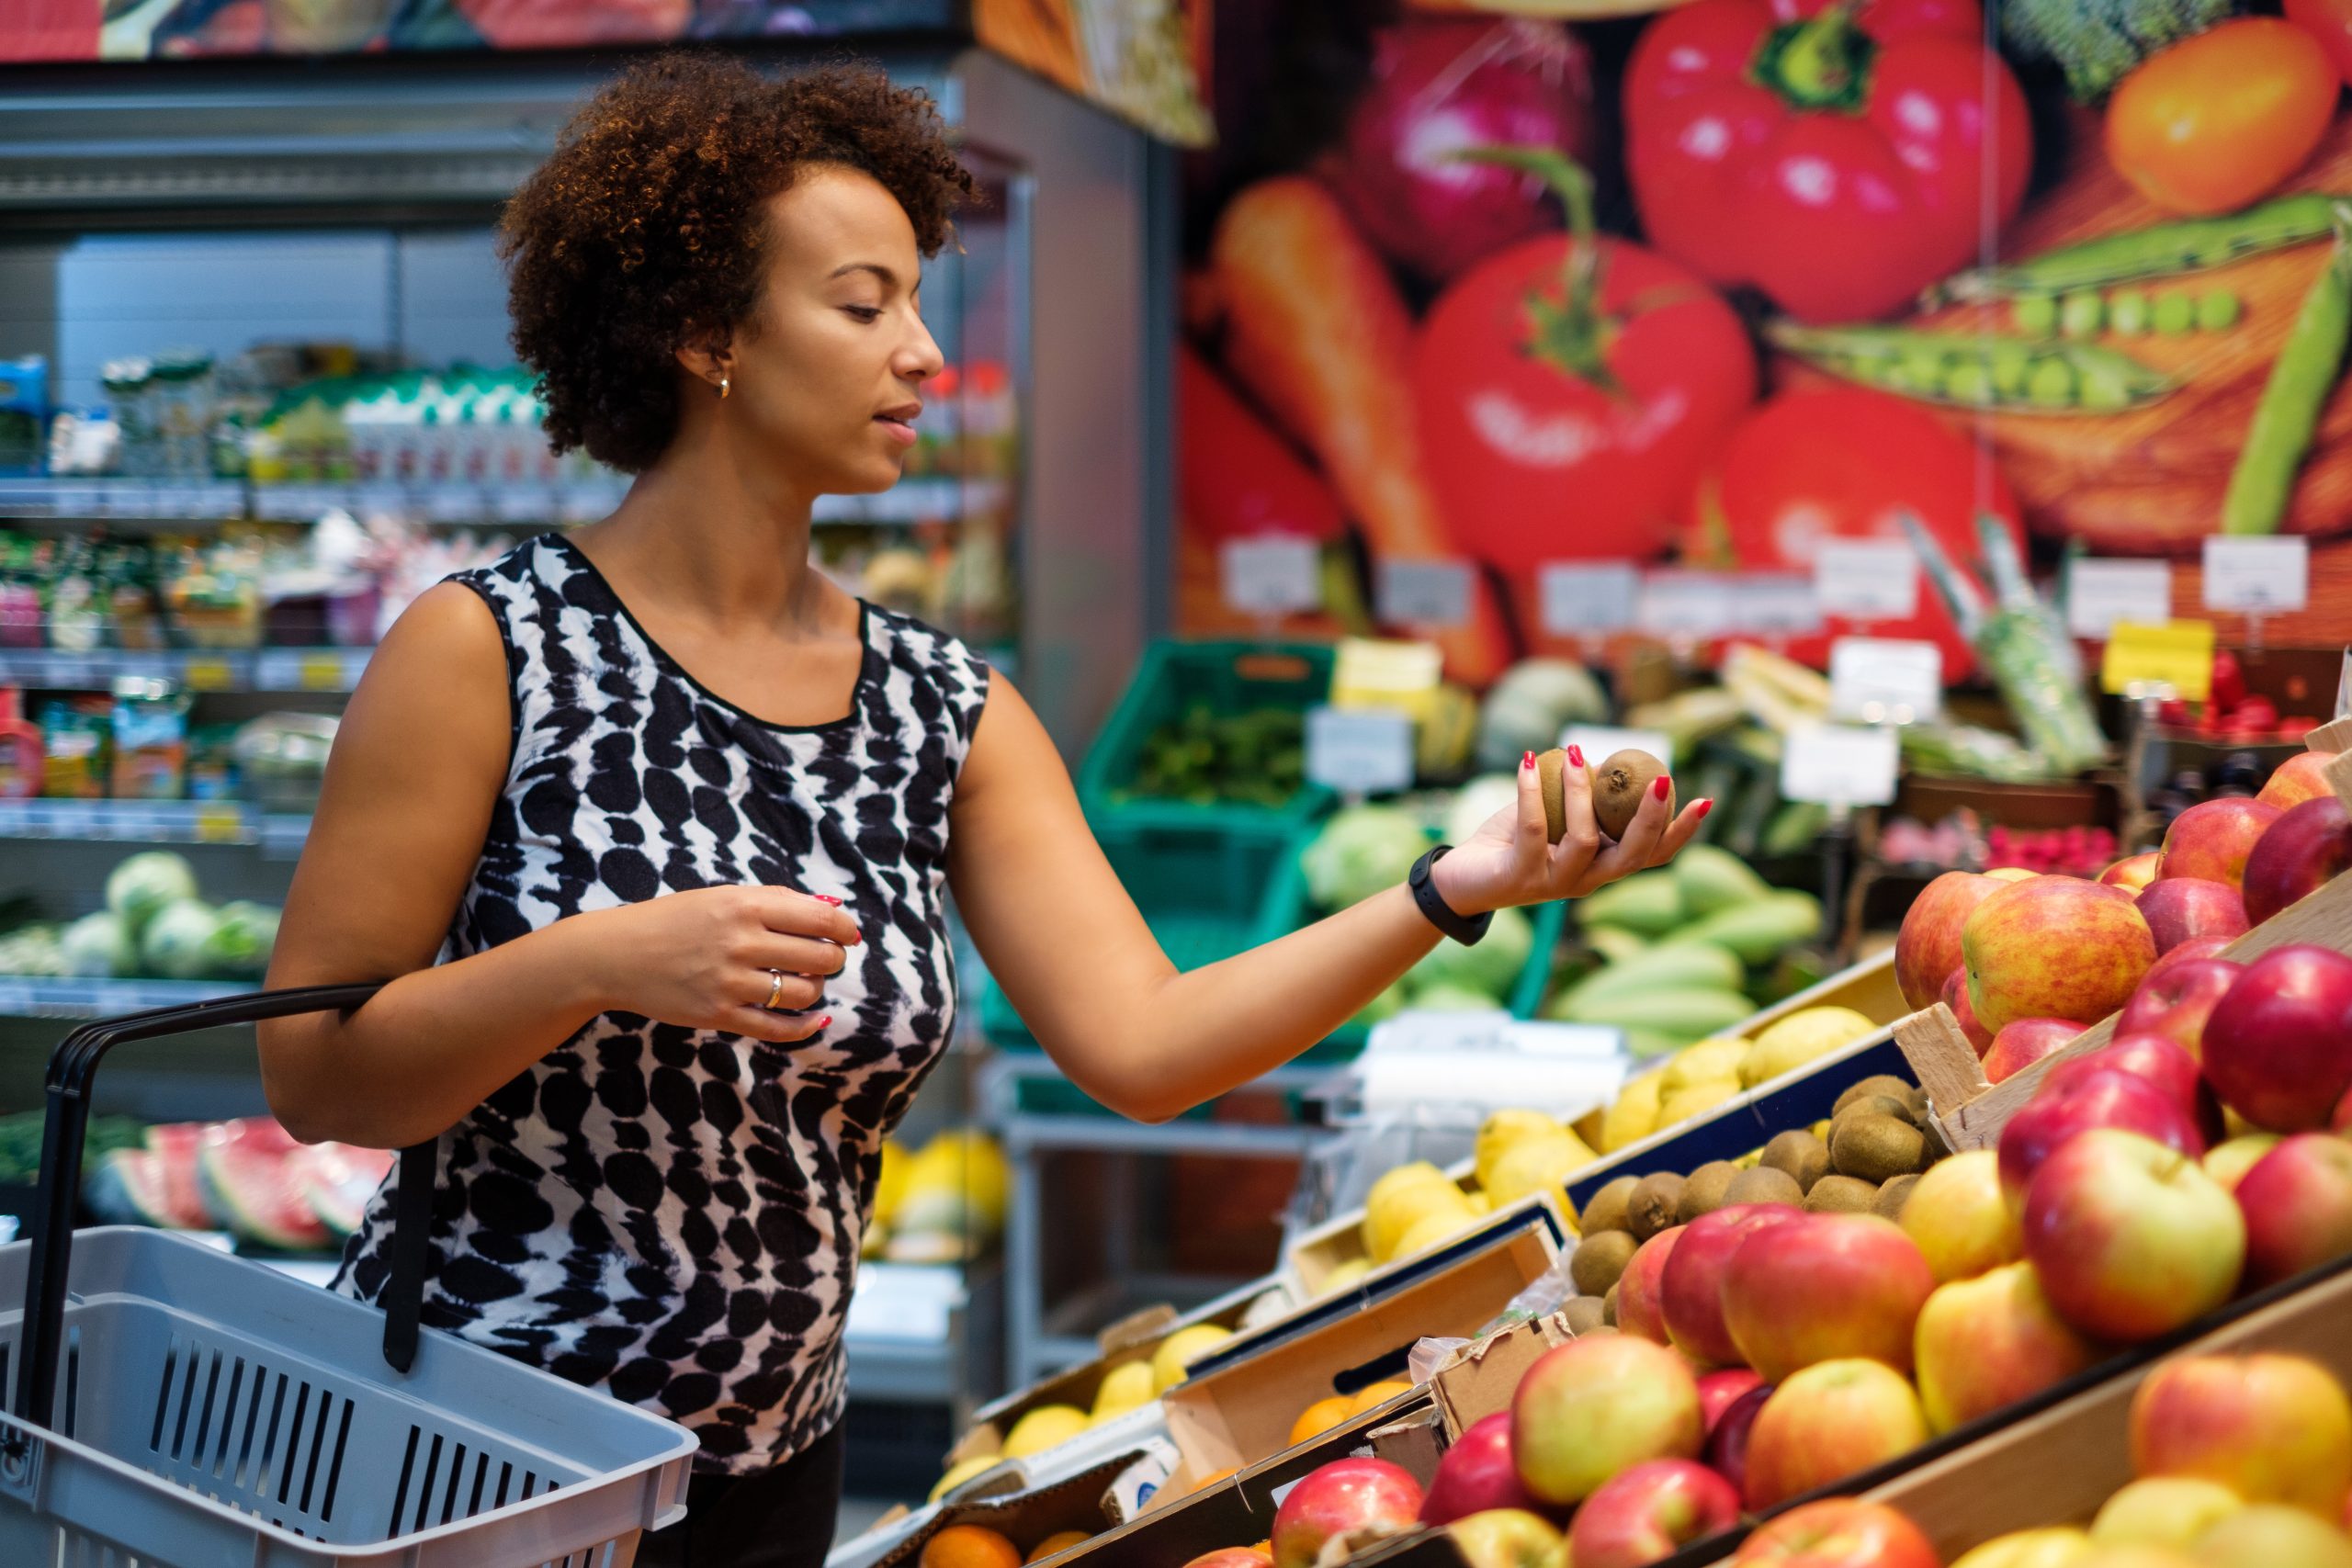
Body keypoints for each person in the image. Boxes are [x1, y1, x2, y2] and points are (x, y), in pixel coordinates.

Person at [254, 52, 1708, 1568]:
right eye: (865, 304)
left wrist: (1449, 888)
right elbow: (317, 1075)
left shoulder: (942, 708)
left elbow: (1145, 1048)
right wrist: (599, 963)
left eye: (917, 305)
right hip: (475, 1467)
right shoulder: (491, 647)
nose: (925, 356)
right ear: (704, 332)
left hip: (767, 1476)